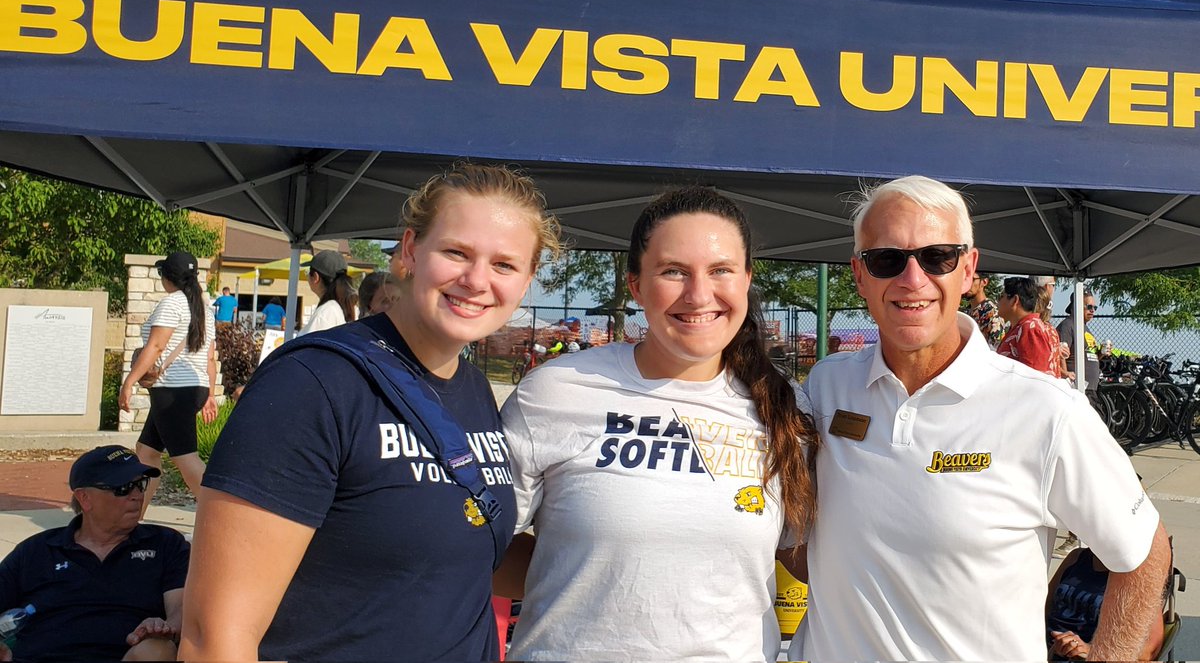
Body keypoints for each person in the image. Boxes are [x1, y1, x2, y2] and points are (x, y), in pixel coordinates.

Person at [179, 163, 561, 662]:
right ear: (410, 250)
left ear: (528, 279)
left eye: (505, 265)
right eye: (456, 252)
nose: (476, 280)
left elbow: (449, 551)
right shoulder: (315, 383)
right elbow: (215, 637)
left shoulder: (470, 387)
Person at [799, 175, 1170, 662]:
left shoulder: (1045, 410)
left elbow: (1144, 552)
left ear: (969, 270)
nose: (913, 280)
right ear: (859, 274)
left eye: (938, 257)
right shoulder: (826, 387)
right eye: (887, 259)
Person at [500, 186, 818, 662]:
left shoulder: (785, 410)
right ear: (636, 286)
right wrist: (583, 574)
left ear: (746, 278)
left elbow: (804, 557)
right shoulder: (557, 390)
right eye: (673, 272)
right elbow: (474, 544)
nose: (699, 294)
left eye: (721, 271)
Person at [0, 446, 190, 662]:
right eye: (124, 488)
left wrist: (166, 627)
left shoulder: (165, 544)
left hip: (126, 655)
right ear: (84, 498)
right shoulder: (38, 550)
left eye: (140, 485)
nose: (137, 495)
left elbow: (183, 607)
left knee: (157, 650)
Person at [119, 251, 218, 507]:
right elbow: (209, 358)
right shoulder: (204, 309)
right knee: (147, 452)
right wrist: (209, 394)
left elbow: (156, 347)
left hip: (172, 392)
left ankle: (223, 514)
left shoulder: (172, 303)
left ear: (167, 277)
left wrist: (129, 382)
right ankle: (135, 518)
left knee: (186, 459)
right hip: (193, 388)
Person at [1047, 545, 1168, 661]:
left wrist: (1089, 650)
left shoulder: (1138, 575)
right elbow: (1044, 607)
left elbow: (1150, 649)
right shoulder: (1077, 557)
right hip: (1044, 646)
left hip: (1086, 655)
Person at [996, 276, 1063, 376]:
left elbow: (1036, 376)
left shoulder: (1030, 328)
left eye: (1001, 296)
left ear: (1015, 300)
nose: (998, 302)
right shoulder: (1023, 327)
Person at [299, 249, 356, 334]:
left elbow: (309, 345)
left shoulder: (326, 312)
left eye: (307, 272)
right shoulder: (340, 307)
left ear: (315, 277)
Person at [1058, 290, 1102, 391]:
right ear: (1076, 306)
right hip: (1076, 388)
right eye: (1089, 307)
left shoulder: (1084, 327)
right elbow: (1061, 355)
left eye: (1094, 308)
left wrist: (1101, 352)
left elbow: (1091, 357)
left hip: (1090, 388)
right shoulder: (1068, 325)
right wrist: (1066, 378)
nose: (1092, 311)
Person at [963, 271, 1005, 348]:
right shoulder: (966, 311)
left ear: (984, 282)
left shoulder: (993, 313)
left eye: (972, 279)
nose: (967, 284)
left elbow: (995, 348)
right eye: (964, 279)